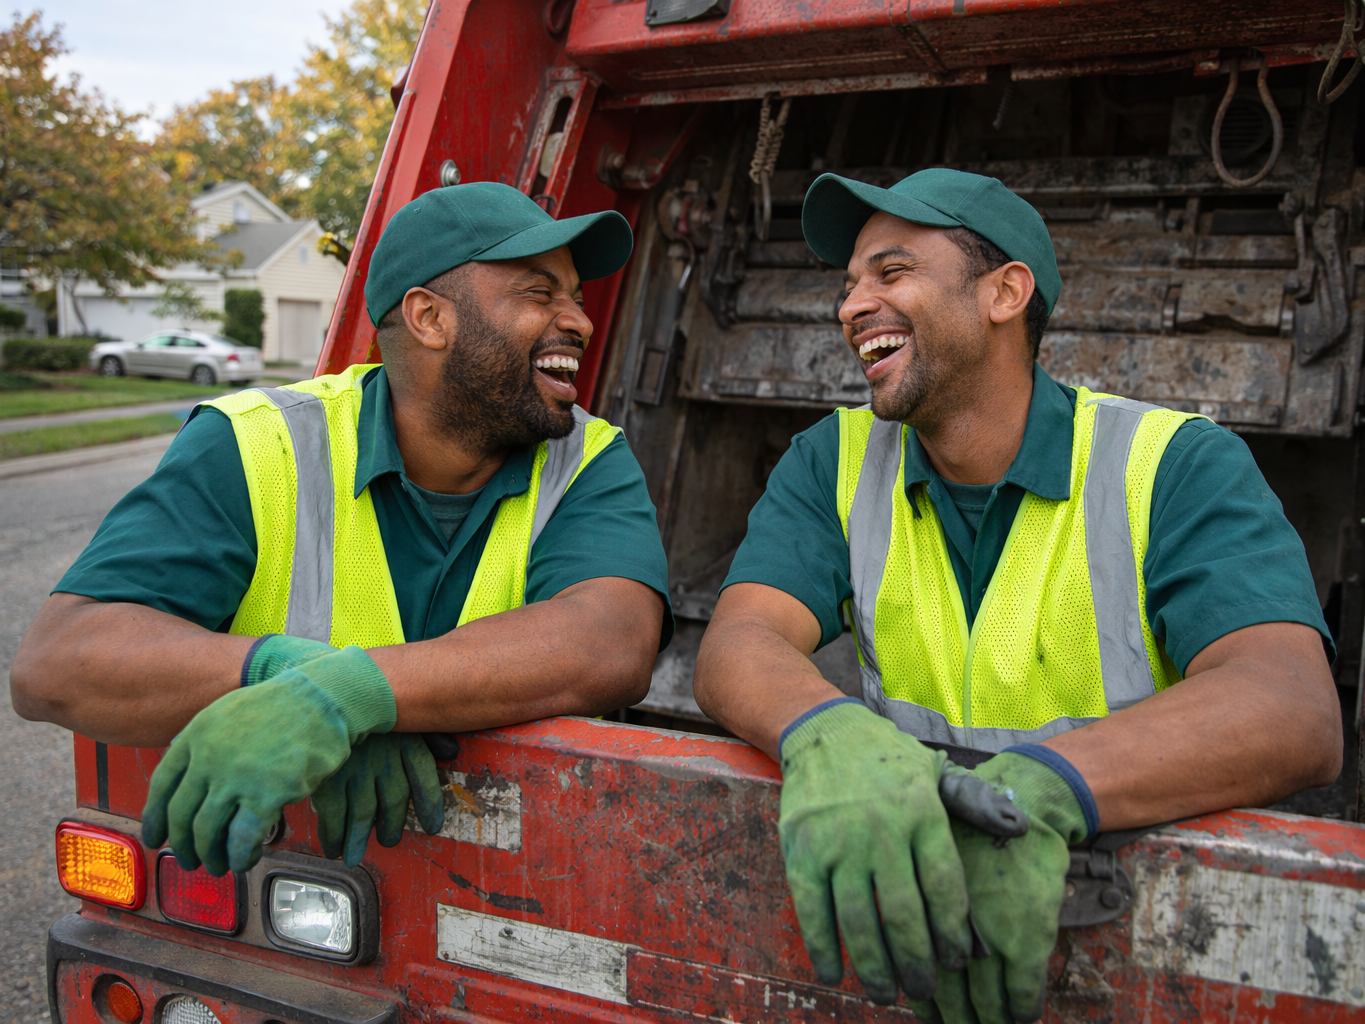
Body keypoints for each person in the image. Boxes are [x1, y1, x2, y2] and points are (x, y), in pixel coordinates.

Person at [692, 168, 1340, 1022]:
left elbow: (1291, 705)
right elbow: (739, 642)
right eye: (848, 284)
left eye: (890, 274)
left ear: (1005, 293)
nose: (850, 307)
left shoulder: (1173, 464)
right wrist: (824, 732)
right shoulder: (834, 458)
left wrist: (1046, 786)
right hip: (912, 928)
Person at [11, 182, 672, 879]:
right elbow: (57, 662)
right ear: (428, 317)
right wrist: (286, 675)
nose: (581, 321)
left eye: (575, 296)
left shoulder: (586, 457)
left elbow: (610, 642)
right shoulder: (256, 442)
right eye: (541, 294)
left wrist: (355, 695)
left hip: (519, 887)